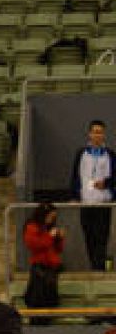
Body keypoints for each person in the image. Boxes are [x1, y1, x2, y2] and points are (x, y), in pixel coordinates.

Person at [71, 120, 111, 272]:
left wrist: (106, 183)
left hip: (103, 203)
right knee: (89, 236)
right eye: (95, 132)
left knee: (101, 237)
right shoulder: (81, 153)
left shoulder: (110, 155)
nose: (97, 135)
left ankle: (99, 269)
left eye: (100, 132)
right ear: (90, 134)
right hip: (86, 202)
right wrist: (74, 196)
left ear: (104, 135)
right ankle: (95, 267)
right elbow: (75, 176)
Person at [22, 202, 63, 310]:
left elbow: (58, 249)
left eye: (53, 217)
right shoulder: (32, 226)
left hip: (52, 266)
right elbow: (35, 245)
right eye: (50, 216)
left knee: (50, 297)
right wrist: (50, 236)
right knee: (38, 297)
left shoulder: (50, 227)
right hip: (40, 266)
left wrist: (60, 238)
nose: (51, 219)